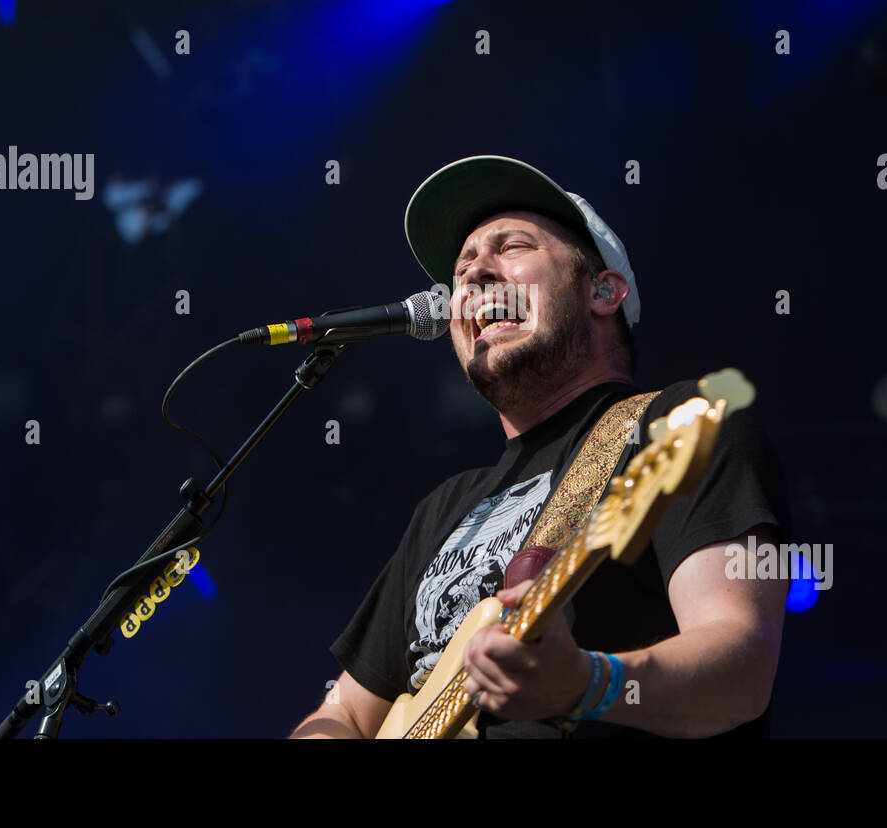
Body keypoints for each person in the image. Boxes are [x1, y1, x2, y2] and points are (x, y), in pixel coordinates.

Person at [290, 155, 789, 739]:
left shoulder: (674, 427)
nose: (474, 274)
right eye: (464, 265)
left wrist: (587, 683)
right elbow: (345, 711)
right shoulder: (444, 508)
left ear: (604, 290)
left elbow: (742, 671)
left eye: (513, 247)